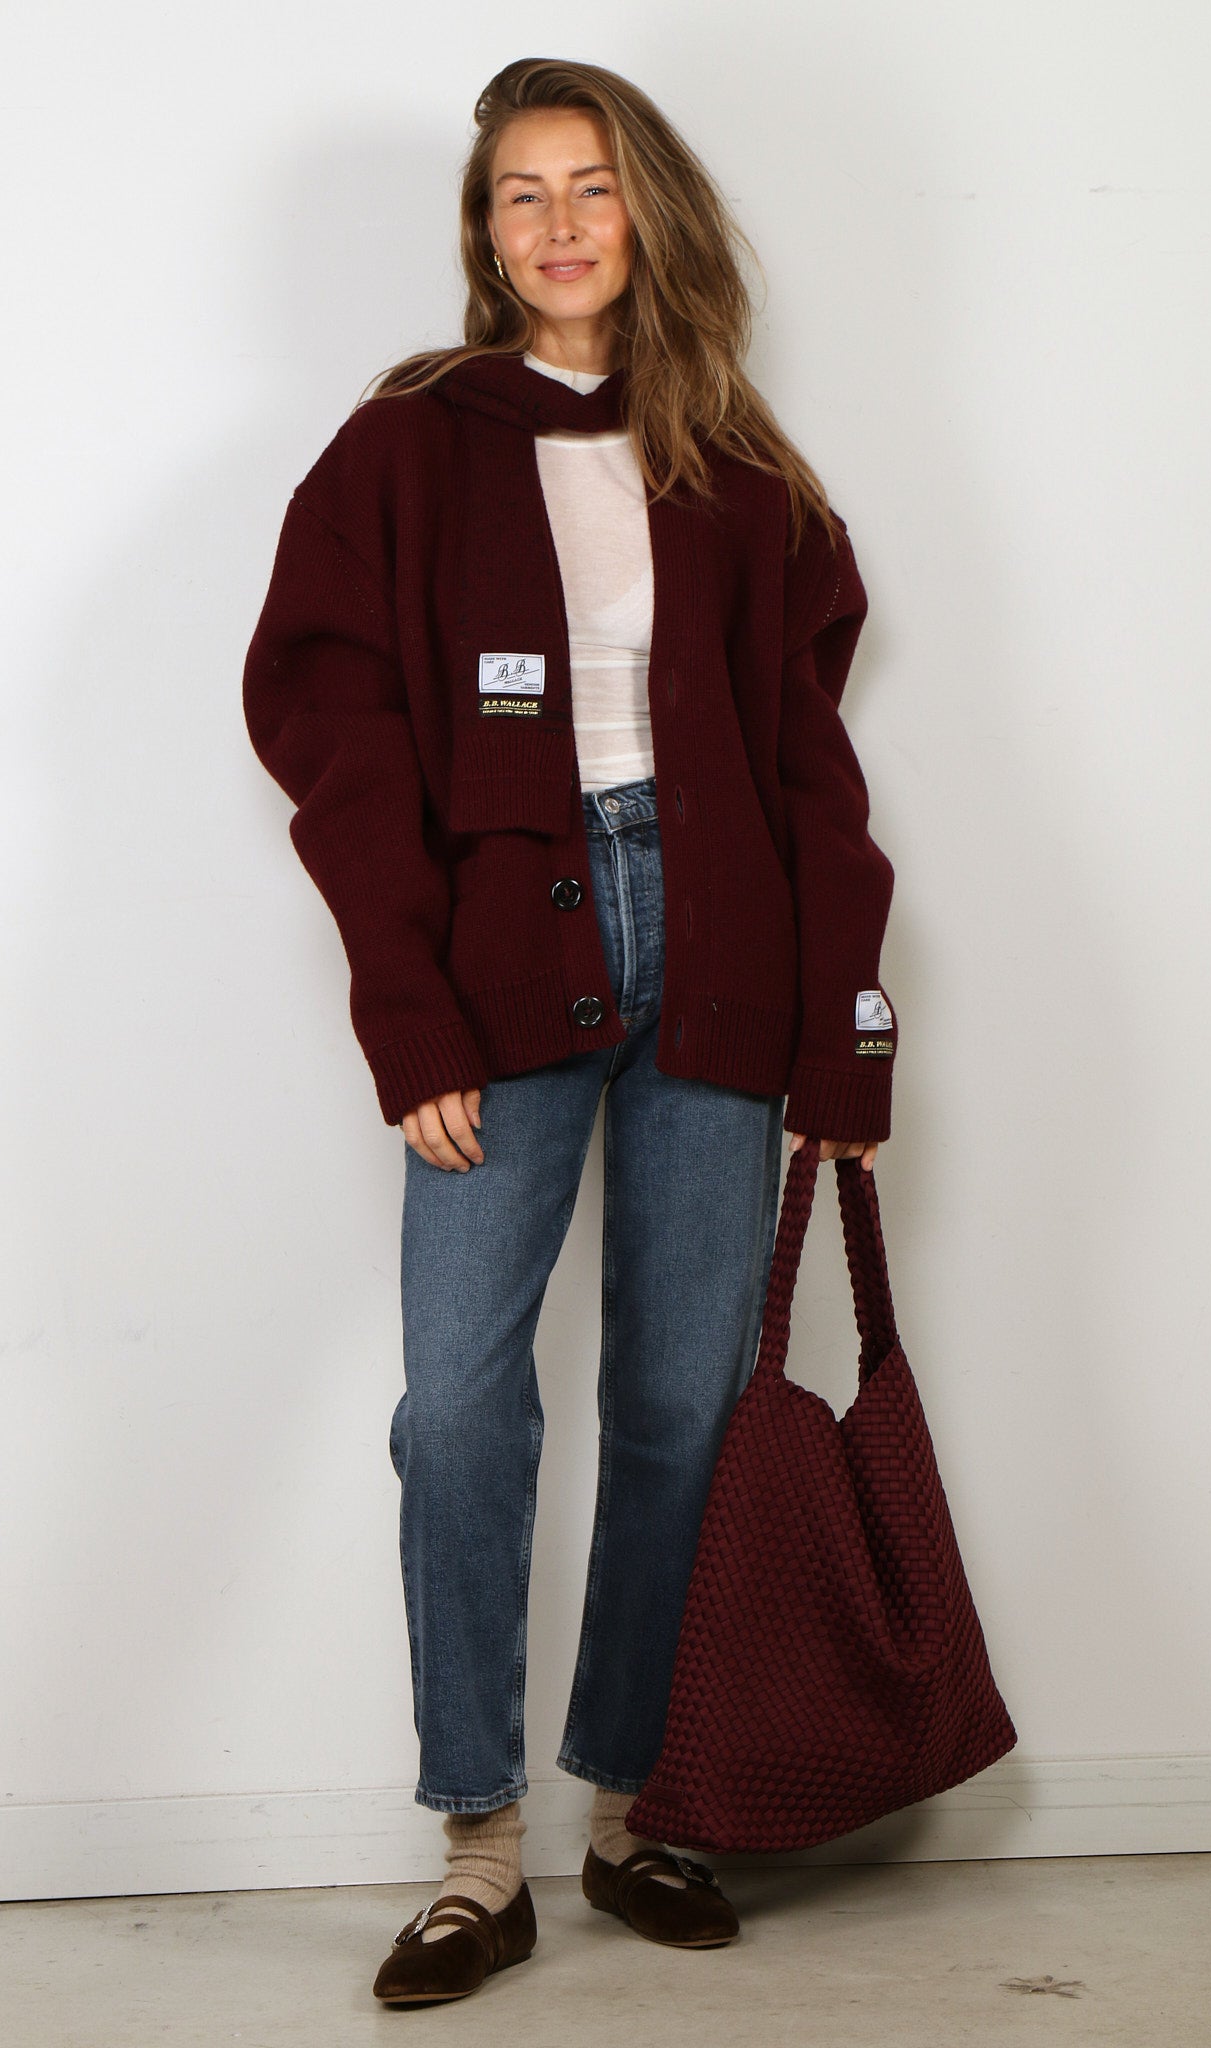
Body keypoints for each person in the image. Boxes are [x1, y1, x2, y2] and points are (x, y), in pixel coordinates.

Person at [242, 56, 898, 2009]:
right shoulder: (406, 445)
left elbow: (809, 775)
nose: (554, 224)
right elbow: (332, 736)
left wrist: (848, 1040)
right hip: (496, 963)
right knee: (455, 1408)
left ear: (644, 213)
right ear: (481, 230)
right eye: (517, 193)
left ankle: (628, 1810)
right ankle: (477, 1847)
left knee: (680, 1403)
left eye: (588, 186)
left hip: (721, 945)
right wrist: (405, 1006)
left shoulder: (737, 465)